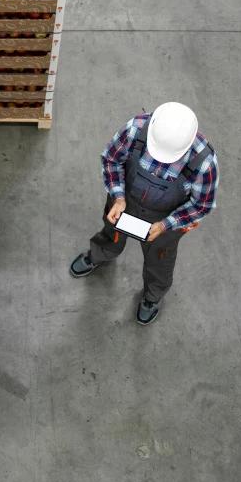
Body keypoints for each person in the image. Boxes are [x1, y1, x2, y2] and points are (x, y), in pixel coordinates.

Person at [70, 102, 219, 325]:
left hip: (164, 220)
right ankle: (100, 254)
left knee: (160, 259)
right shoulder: (135, 129)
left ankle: (152, 297)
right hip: (125, 202)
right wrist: (118, 197)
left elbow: (201, 206)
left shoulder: (204, 163)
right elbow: (111, 160)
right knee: (111, 233)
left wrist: (166, 224)